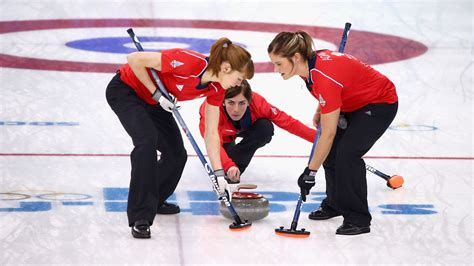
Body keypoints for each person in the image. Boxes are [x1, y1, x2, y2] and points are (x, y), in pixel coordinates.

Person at [105, 38, 254, 238]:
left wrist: (219, 174)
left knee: (176, 154)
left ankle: (154, 199)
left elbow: (211, 133)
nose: (240, 83)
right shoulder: (189, 62)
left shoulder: (218, 89)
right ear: (226, 68)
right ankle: (141, 216)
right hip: (127, 90)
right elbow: (134, 59)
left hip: (154, 101)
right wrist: (157, 94)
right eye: (240, 77)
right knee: (146, 142)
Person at [267, 31, 398, 235]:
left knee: (347, 154)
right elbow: (334, 88)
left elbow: (327, 133)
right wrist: (323, 108)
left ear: (295, 57)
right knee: (331, 152)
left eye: (278, 63)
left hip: (379, 103)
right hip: (353, 102)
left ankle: (358, 218)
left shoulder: (322, 75)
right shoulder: (308, 68)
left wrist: (310, 173)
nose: (275, 69)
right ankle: (336, 203)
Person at [198, 80, 316, 183]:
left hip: (246, 128)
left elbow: (289, 123)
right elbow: (214, 146)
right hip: (222, 136)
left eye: (242, 103)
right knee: (223, 161)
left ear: (249, 101)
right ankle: (230, 169)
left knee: (265, 128)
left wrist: (320, 140)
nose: (236, 110)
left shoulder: (258, 103)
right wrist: (228, 166)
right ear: (223, 101)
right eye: (231, 103)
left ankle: (233, 172)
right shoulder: (210, 111)